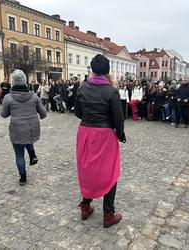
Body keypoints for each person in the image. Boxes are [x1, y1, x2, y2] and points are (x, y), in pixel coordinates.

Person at [74, 54, 126, 228]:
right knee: (109, 172)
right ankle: (108, 215)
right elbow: (118, 118)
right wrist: (120, 134)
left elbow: (78, 113)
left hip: (85, 132)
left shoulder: (82, 88)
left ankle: (86, 206)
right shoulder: (112, 91)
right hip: (104, 134)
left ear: (92, 69)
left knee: (86, 169)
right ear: (107, 70)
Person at [0, 70, 47, 186]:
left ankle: (23, 178)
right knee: (27, 137)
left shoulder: (8, 97)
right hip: (31, 127)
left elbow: (4, 114)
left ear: (13, 82)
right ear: (25, 81)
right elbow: (44, 113)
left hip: (16, 128)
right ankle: (32, 153)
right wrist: (39, 116)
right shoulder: (34, 96)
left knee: (19, 154)